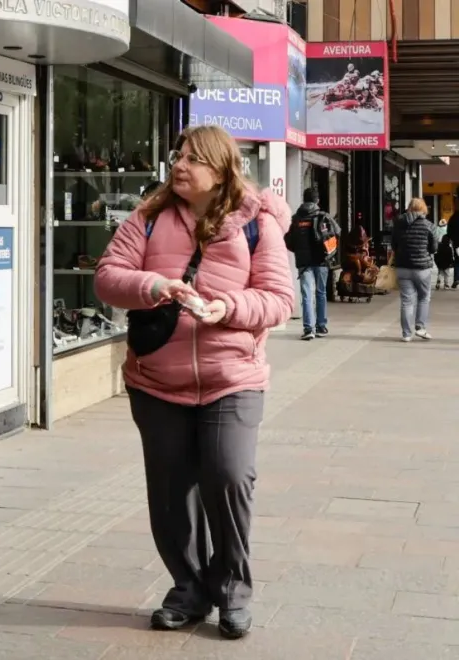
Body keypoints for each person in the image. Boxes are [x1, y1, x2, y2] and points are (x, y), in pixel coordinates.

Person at [94, 125, 294, 640]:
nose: (179, 165)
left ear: (222, 167)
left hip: (233, 376)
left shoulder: (257, 222)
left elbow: (279, 299)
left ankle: (232, 590)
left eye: (192, 158)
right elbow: (107, 276)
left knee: (228, 477)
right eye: (177, 155)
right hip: (157, 377)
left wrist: (229, 307)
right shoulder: (149, 216)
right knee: (170, 492)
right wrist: (154, 285)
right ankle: (188, 588)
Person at [285, 188, 341, 340]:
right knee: (321, 293)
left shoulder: (296, 218)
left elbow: (289, 241)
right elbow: (337, 232)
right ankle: (321, 326)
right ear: (317, 200)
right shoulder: (324, 216)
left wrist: (299, 251)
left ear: (304, 200)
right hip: (322, 261)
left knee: (307, 295)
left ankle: (308, 329)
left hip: (304, 263)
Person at [391, 198, 437, 342]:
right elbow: (434, 248)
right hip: (422, 268)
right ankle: (420, 328)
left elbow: (394, 245)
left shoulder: (399, 225)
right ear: (424, 209)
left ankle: (406, 334)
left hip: (403, 267)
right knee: (424, 297)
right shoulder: (429, 225)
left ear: (409, 208)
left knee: (406, 301)